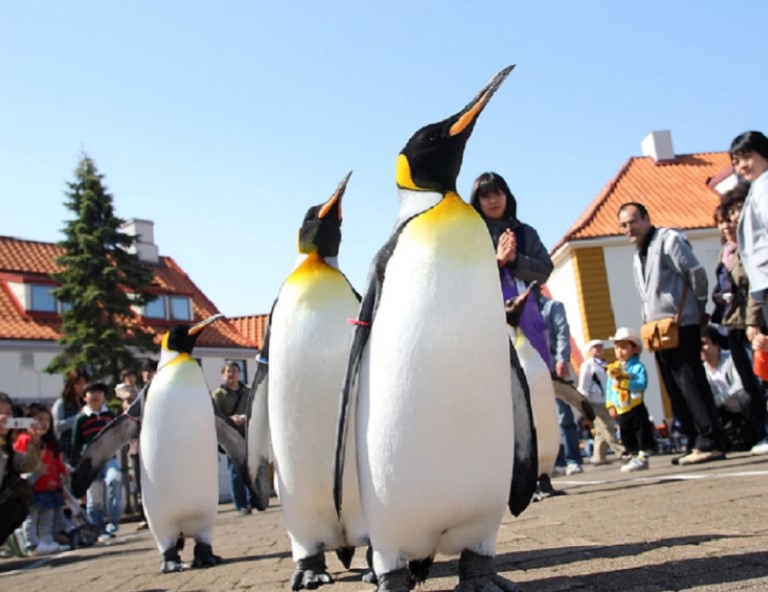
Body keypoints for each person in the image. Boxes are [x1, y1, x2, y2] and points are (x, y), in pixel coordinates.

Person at [617, 202, 726, 465]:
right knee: (674, 388)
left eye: (633, 221)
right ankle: (694, 439)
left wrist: (698, 308)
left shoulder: (669, 240)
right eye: (624, 225)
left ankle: (710, 439)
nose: (629, 228)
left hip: (681, 323)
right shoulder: (638, 254)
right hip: (657, 330)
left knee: (691, 382)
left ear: (646, 218)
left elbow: (696, 272)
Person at [470, 171, 554, 364]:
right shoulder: (471, 235)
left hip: (529, 321)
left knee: (536, 376)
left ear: (507, 196)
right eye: (486, 196)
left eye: (498, 194)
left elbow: (545, 270)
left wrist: (516, 260)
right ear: (477, 201)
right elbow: (465, 280)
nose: (493, 200)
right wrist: (498, 261)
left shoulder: (526, 233)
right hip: (488, 322)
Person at [713, 188, 768, 454]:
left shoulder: (750, 247)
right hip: (733, 323)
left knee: (762, 379)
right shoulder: (725, 253)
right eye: (724, 219)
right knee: (750, 384)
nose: (728, 224)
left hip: (752, 319)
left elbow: (755, 285)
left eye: (733, 215)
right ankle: (762, 433)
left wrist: (752, 321)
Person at [13, 403, 70, 555]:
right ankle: (31, 544)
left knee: (47, 518)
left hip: (50, 487)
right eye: (39, 419)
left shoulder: (50, 443)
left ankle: (46, 542)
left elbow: (57, 464)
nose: (44, 423)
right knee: (31, 517)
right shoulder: (24, 439)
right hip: (34, 487)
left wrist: (61, 476)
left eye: (47, 420)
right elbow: (21, 463)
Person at [539, 294, 584, 476]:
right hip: (537, 371)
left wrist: (562, 359)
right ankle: (555, 462)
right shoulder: (525, 309)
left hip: (555, 368)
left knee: (564, 415)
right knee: (545, 419)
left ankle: (573, 459)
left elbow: (562, 333)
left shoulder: (552, 306)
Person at [72, 382, 123, 539]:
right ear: (84, 397)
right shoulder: (81, 418)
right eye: (92, 392)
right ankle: (98, 528)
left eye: (99, 392)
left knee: (115, 479)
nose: (96, 395)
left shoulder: (109, 415)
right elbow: (76, 442)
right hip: (90, 462)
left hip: (108, 457)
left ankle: (113, 521)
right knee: (94, 498)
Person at [700, 325, 756, 452]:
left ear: (716, 345)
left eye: (704, 344)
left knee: (746, 396)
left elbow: (740, 384)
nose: (701, 349)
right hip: (727, 412)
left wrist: (718, 400)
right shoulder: (703, 370)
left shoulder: (731, 358)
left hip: (744, 406)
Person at [605, 328, 653, 472]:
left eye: (624, 347)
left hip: (635, 405)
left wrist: (625, 383)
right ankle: (633, 455)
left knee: (641, 431)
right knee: (626, 433)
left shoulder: (637, 367)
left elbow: (642, 383)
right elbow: (610, 388)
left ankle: (643, 456)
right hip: (621, 408)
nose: (620, 351)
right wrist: (610, 405)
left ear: (634, 349)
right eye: (617, 347)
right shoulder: (614, 368)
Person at [0, 392, 44, 548]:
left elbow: (25, 465)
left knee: (17, 508)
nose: (5, 418)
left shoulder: (5, 446)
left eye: (8, 413)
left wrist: (35, 443)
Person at [211, 363, 253, 515]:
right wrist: (230, 419)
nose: (231, 374)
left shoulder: (248, 392)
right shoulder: (219, 394)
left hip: (248, 434)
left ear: (239, 374)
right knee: (236, 471)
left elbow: (255, 409)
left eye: (234, 371)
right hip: (230, 436)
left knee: (251, 469)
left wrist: (246, 418)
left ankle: (253, 500)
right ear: (223, 375)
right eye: (228, 371)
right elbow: (214, 415)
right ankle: (241, 505)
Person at [577, 339, 625, 465]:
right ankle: (621, 453)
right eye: (595, 347)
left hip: (606, 401)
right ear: (590, 350)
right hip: (594, 402)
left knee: (600, 431)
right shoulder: (588, 365)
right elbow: (583, 386)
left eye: (600, 347)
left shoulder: (605, 364)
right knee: (608, 427)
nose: (598, 349)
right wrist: (583, 404)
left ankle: (598, 457)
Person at [51, 368, 89, 469]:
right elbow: (57, 426)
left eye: (84, 384)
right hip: (67, 452)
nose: (82, 387)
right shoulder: (61, 403)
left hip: (83, 452)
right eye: (78, 384)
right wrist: (78, 418)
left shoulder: (86, 404)